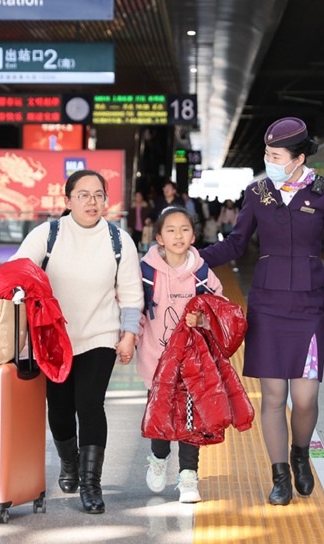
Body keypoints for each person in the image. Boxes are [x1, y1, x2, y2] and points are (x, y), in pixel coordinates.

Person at [199, 116, 324, 506]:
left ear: (298, 157)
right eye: (267, 154)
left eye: (275, 155)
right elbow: (237, 243)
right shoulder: (258, 193)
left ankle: (300, 453)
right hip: (267, 306)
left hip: (308, 306)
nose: (269, 161)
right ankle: (279, 476)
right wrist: (192, 258)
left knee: (304, 398)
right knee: (272, 398)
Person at [9, 170, 143, 514]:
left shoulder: (118, 240)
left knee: (90, 403)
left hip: (99, 335)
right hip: (53, 338)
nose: (91, 201)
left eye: (98, 194)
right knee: (60, 407)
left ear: (106, 199)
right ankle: (69, 462)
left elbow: (130, 295)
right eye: (83, 195)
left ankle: (90, 484)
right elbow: (16, 269)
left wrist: (128, 336)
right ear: (67, 200)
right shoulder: (48, 234)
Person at [136, 207, 224, 503]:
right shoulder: (146, 273)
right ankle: (159, 460)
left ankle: (188, 477)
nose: (178, 235)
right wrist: (127, 342)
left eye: (184, 229)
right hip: (156, 359)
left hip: (194, 362)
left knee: (191, 419)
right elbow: (135, 311)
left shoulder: (202, 273)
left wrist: (202, 320)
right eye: (170, 230)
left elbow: (219, 307)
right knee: (161, 416)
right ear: (159, 237)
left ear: (194, 236)